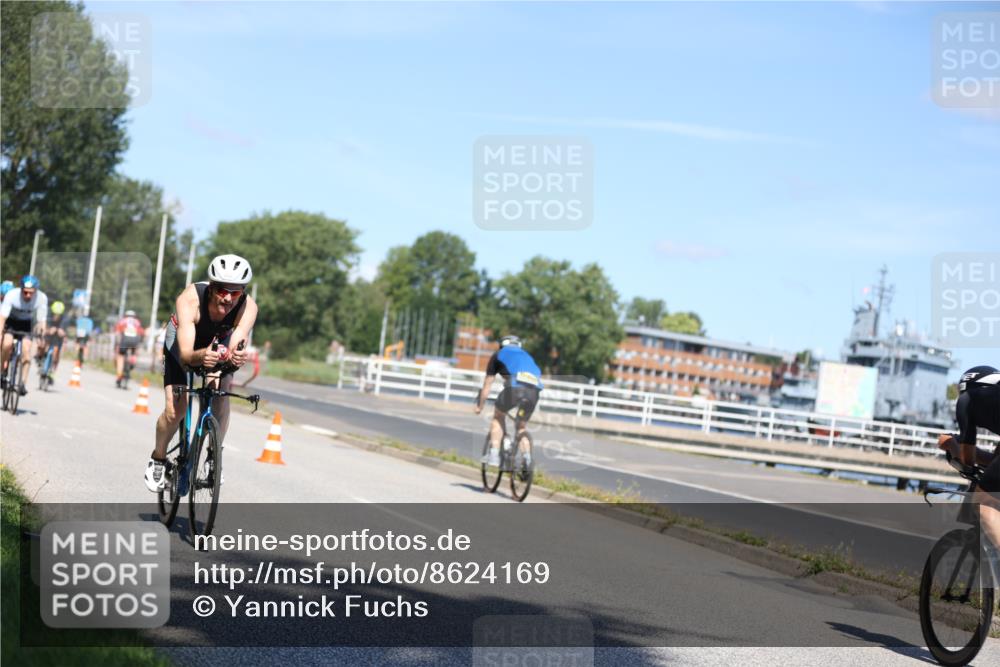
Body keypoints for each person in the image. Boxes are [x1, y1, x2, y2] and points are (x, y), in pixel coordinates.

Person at [144, 254, 258, 492]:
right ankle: (158, 458)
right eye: (222, 290)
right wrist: (201, 355)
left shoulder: (248, 308)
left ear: (242, 293)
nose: (227, 298)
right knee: (176, 409)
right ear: (212, 287)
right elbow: (186, 355)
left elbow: (236, 343)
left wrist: (235, 357)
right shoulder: (190, 299)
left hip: (216, 344)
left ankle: (213, 455)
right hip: (181, 344)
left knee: (221, 395)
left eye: (235, 293)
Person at [938, 365, 1000, 552]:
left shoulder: (967, 400)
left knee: (983, 502)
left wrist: (950, 443)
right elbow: (994, 462)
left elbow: (967, 461)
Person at [473, 335, 543, 467]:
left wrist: (480, 406)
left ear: (501, 346)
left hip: (515, 389)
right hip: (534, 392)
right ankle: (527, 460)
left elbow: (487, 385)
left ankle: (494, 455)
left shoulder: (498, 355)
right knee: (521, 426)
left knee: (498, 416)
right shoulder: (527, 356)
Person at [0, 275, 49, 395]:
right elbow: (2, 318)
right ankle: (2, 372)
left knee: (26, 353)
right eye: (25, 292)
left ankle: (22, 383)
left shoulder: (41, 298)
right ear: (21, 289)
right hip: (11, 323)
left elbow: (41, 321)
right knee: (6, 344)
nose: (27, 295)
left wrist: (41, 337)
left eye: (31, 293)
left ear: (36, 291)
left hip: (26, 325)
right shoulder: (12, 295)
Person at [37, 300, 68, 385]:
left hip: (57, 338)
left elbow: (64, 331)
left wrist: (61, 331)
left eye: (58, 315)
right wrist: (48, 330)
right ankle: (40, 358)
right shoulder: (48, 315)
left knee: (56, 352)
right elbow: (43, 328)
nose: (56, 316)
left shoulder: (65, 318)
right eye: (55, 314)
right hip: (49, 335)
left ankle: (52, 371)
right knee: (42, 345)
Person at [114, 309, 145, 387]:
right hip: (135, 340)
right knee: (133, 353)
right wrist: (139, 345)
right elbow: (141, 333)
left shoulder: (122, 321)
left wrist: (117, 344)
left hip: (125, 339)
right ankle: (132, 363)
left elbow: (117, 333)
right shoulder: (137, 322)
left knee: (120, 357)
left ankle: (119, 376)